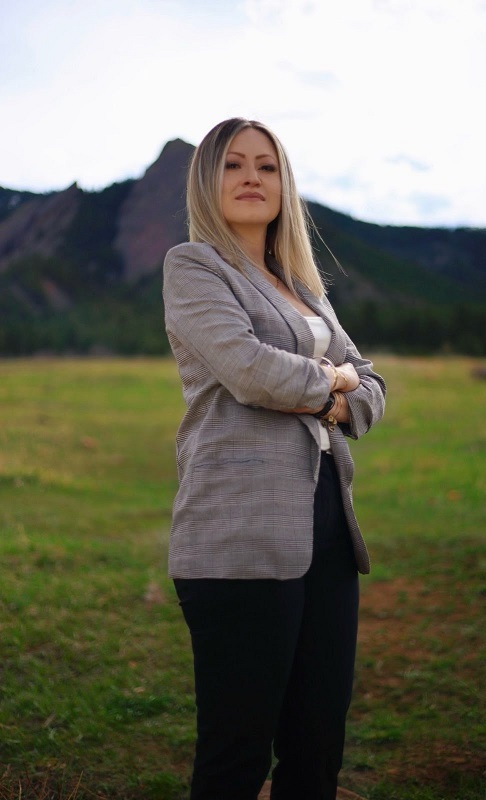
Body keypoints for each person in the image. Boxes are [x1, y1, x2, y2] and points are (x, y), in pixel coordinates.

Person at [163, 117, 386, 800]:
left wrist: (339, 389)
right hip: (238, 532)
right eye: (233, 165)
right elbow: (251, 372)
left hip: (325, 523)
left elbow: (372, 388)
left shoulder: (304, 287)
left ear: (284, 185)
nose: (252, 177)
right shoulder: (194, 266)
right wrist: (336, 384)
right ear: (208, 181)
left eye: (266, 165)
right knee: (236, 753)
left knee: (317, 745)